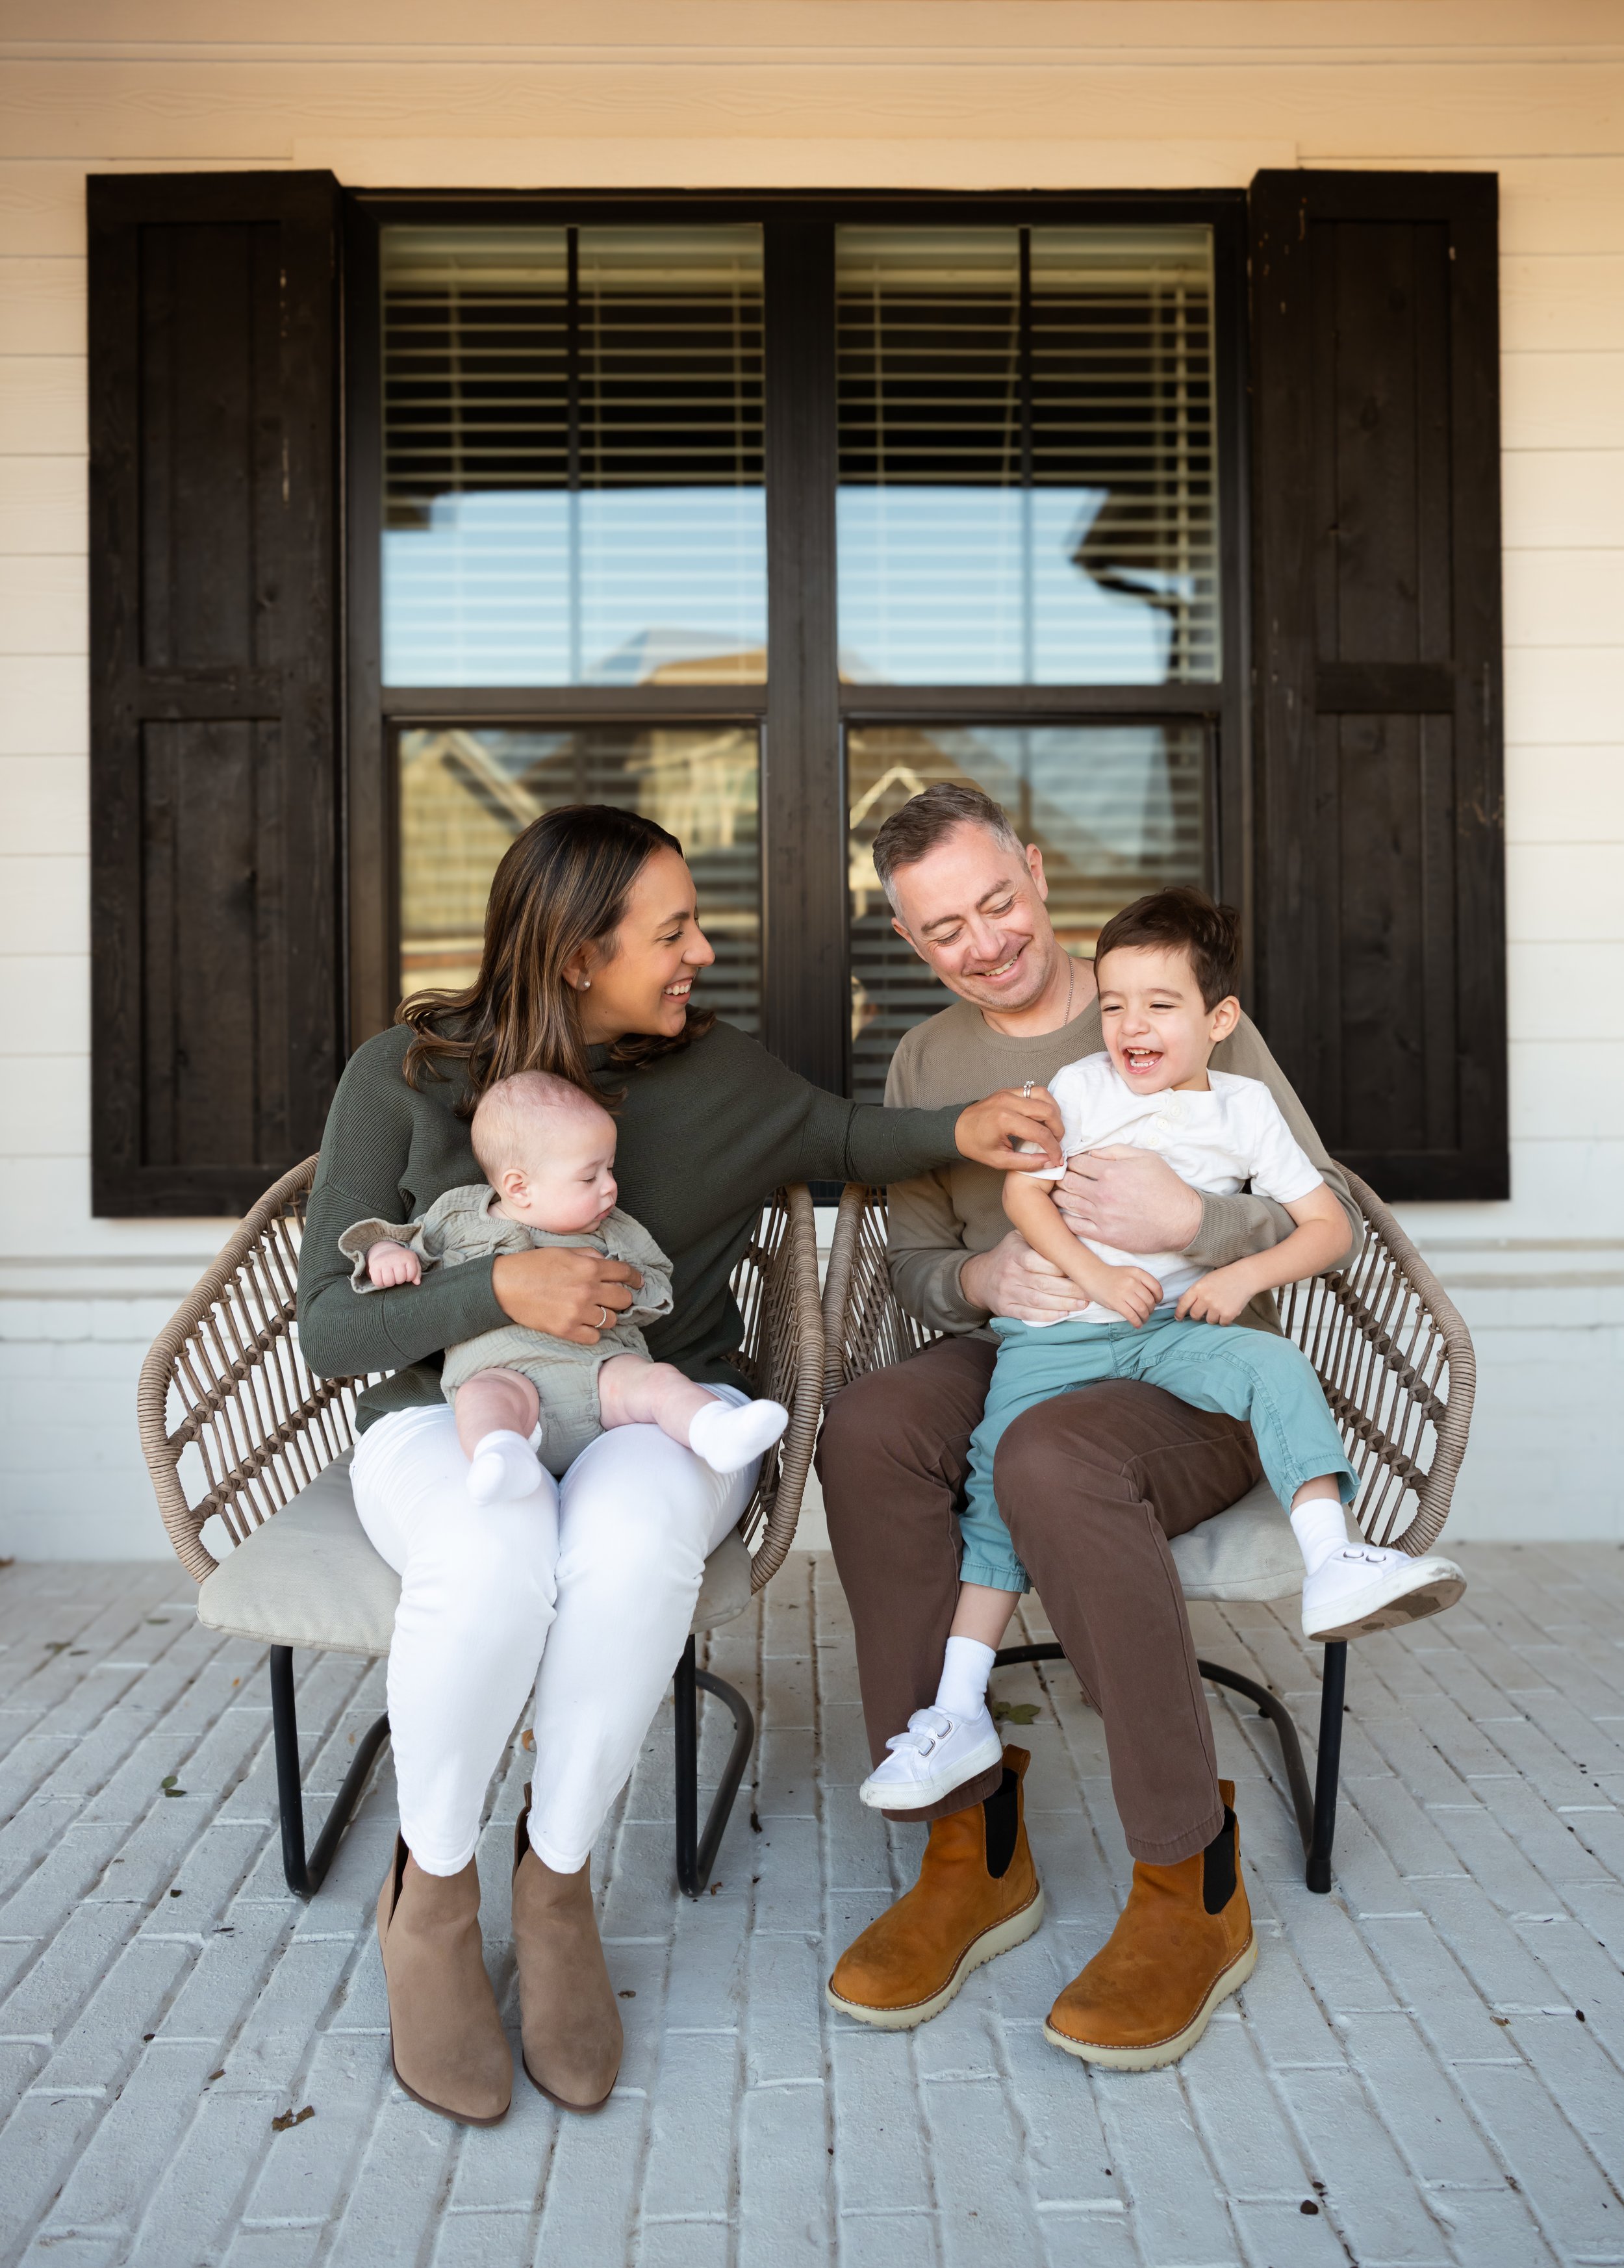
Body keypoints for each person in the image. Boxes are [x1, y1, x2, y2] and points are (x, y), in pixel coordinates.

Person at [297, 802, 1059, 2127]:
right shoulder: (404, 1073)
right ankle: (431, 1892)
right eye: (672, 931)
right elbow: (328, 1327)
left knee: (630, 1542)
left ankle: (556, 1878)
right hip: (447, 1415)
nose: (702, 950)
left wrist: (972, 1125)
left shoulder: (719, 1077)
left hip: (659, 1407)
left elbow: (844, 1138)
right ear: (582, 952)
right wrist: (502, 1284)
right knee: (493, 1549)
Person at [818, 781, 1423, 2072]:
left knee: (1052, 1456)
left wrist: (1182, 1224)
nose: (981, 942)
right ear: (908, 941)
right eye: (940, 930)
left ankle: (1185, 1878)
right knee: (868, 1424)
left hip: (1181, 1362)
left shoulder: (1157, 997)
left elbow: (1320, 1222)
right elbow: (919, 1261)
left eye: (995, 901)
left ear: (1035, 871)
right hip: (1028, 1339)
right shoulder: (924, 1057)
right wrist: (983, 1280)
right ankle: (968, 1843)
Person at [858, 884, 1464, 1818]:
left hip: (1179, 1332)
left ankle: (1334, 1556)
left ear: (1220, 1018)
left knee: (1271, 1369)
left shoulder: (1243, 1104)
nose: (1132, 1024)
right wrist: (1080, 1277)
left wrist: (1225, 1254)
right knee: (990, 1496)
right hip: (1058, 1337)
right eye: (1114, 1004)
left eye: (1159, 1005)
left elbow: (1328, 1223)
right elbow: (1023, 1199)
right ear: (910, 939)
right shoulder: (1072, 1088)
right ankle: (953, 1713)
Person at [340, 1069, 789, 1498]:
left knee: (656, 1381)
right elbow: (405, 1245)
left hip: (601, 1374)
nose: (610, 1188)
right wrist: (386, 1254)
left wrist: (623, 1291)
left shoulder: (612, 1231)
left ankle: (712, 1428)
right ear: (519, 1187)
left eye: (610, 1169)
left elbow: (656, 1280)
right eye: (590, 1176)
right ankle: (501, 1455)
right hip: (504, 1374)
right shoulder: (457, 1218)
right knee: (481, 1399)